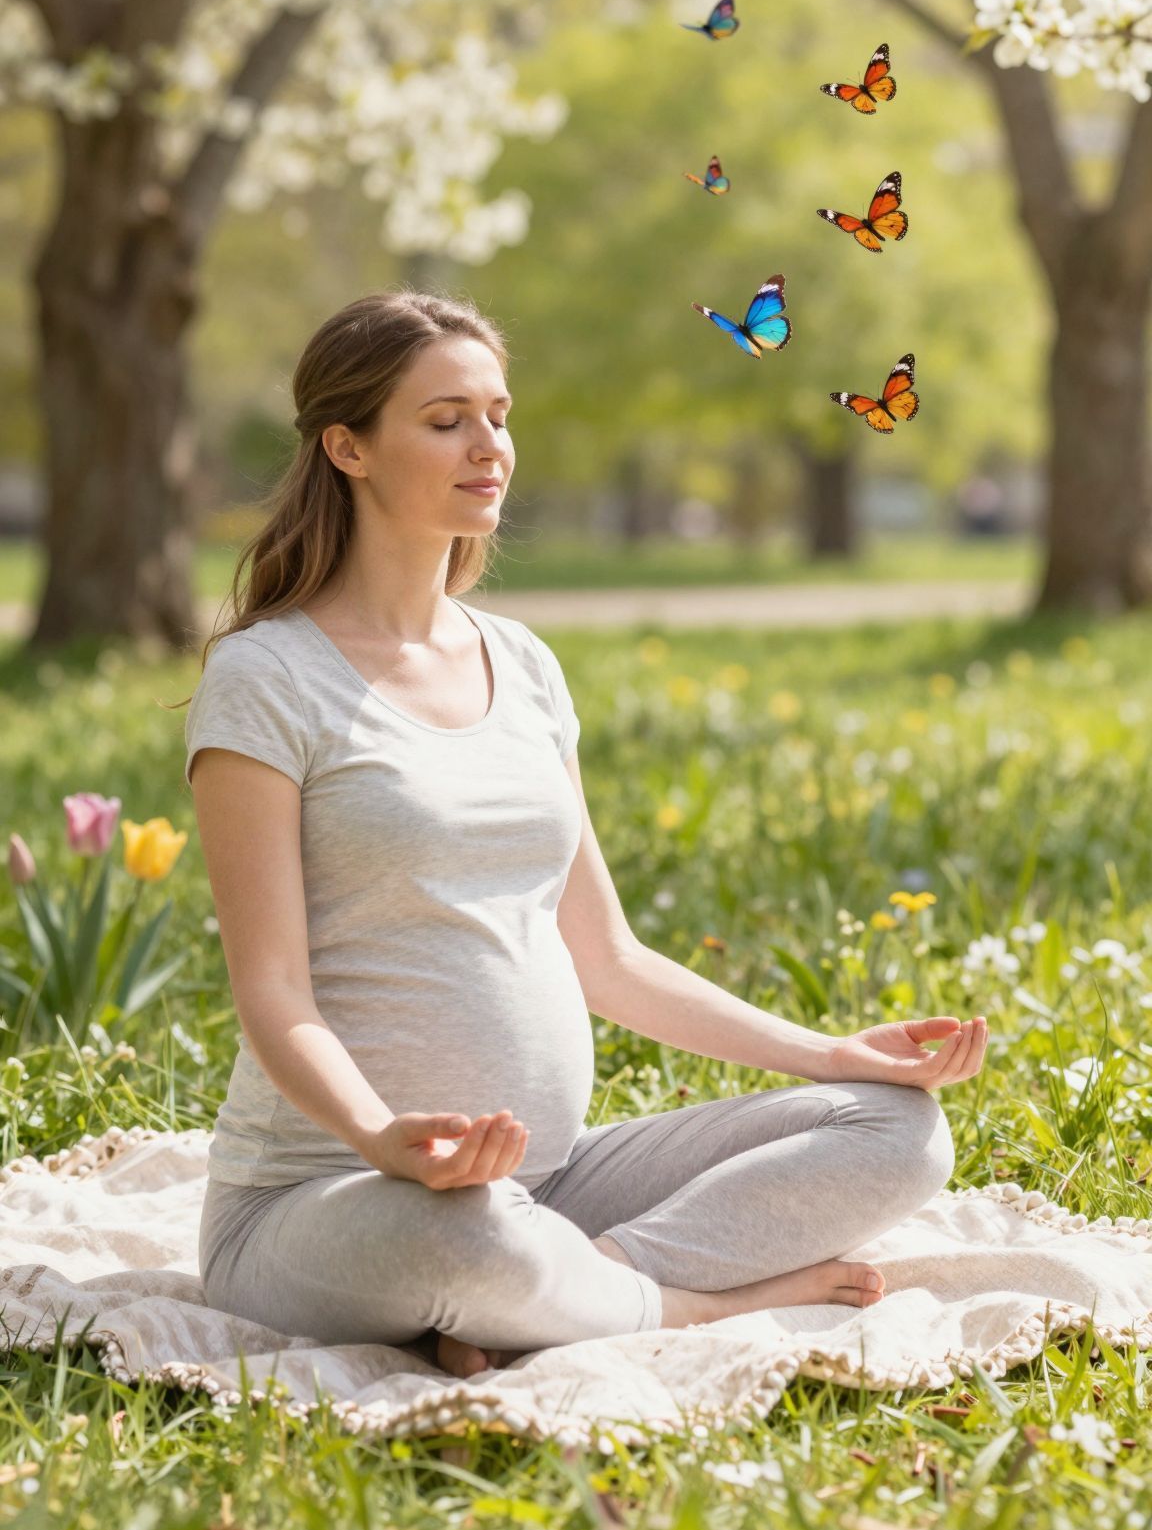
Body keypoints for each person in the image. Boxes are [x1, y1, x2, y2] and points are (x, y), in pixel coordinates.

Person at [177, 289, 986, 1377]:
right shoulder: (266, 675)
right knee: (457, 1231)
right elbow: (273, 989)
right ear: (347, 446)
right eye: (446, 418)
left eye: (499, 414)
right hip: (328, 1195)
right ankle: (683, 1300)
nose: (490, 447)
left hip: (547, 1182)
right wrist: (381, 1138)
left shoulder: (525, 665)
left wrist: (829, 1051)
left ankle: (573, 1283)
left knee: (896, 1127)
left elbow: (606, 955)